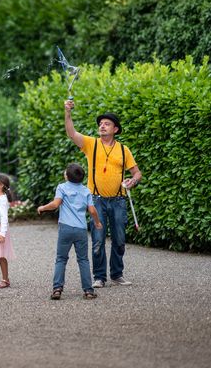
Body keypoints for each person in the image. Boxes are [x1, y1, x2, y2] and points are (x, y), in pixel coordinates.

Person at [64, 100, 142, 288]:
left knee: (120, 239)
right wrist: (67, 113)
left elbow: (137, 173)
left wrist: (133, 181)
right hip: (96, 200)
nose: (102, 126)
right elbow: (71, 133)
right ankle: (99, 277)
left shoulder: (124, 150)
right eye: (101, 123)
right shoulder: (92, 144)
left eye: (107, 124)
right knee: (98, 240)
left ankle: (117, 274)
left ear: (115, 129)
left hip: (118, 201)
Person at [37, 163, 103, 300]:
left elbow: (55, 204)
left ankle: (57, 289)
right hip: (81, 230)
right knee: (83, 260)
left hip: (65, 228)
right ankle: (88, 291)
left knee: (61, 259)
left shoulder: (62, 187)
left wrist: (42, 208)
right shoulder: (86, 191)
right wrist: (97, 222)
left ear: (66, 175)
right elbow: (92, 210)